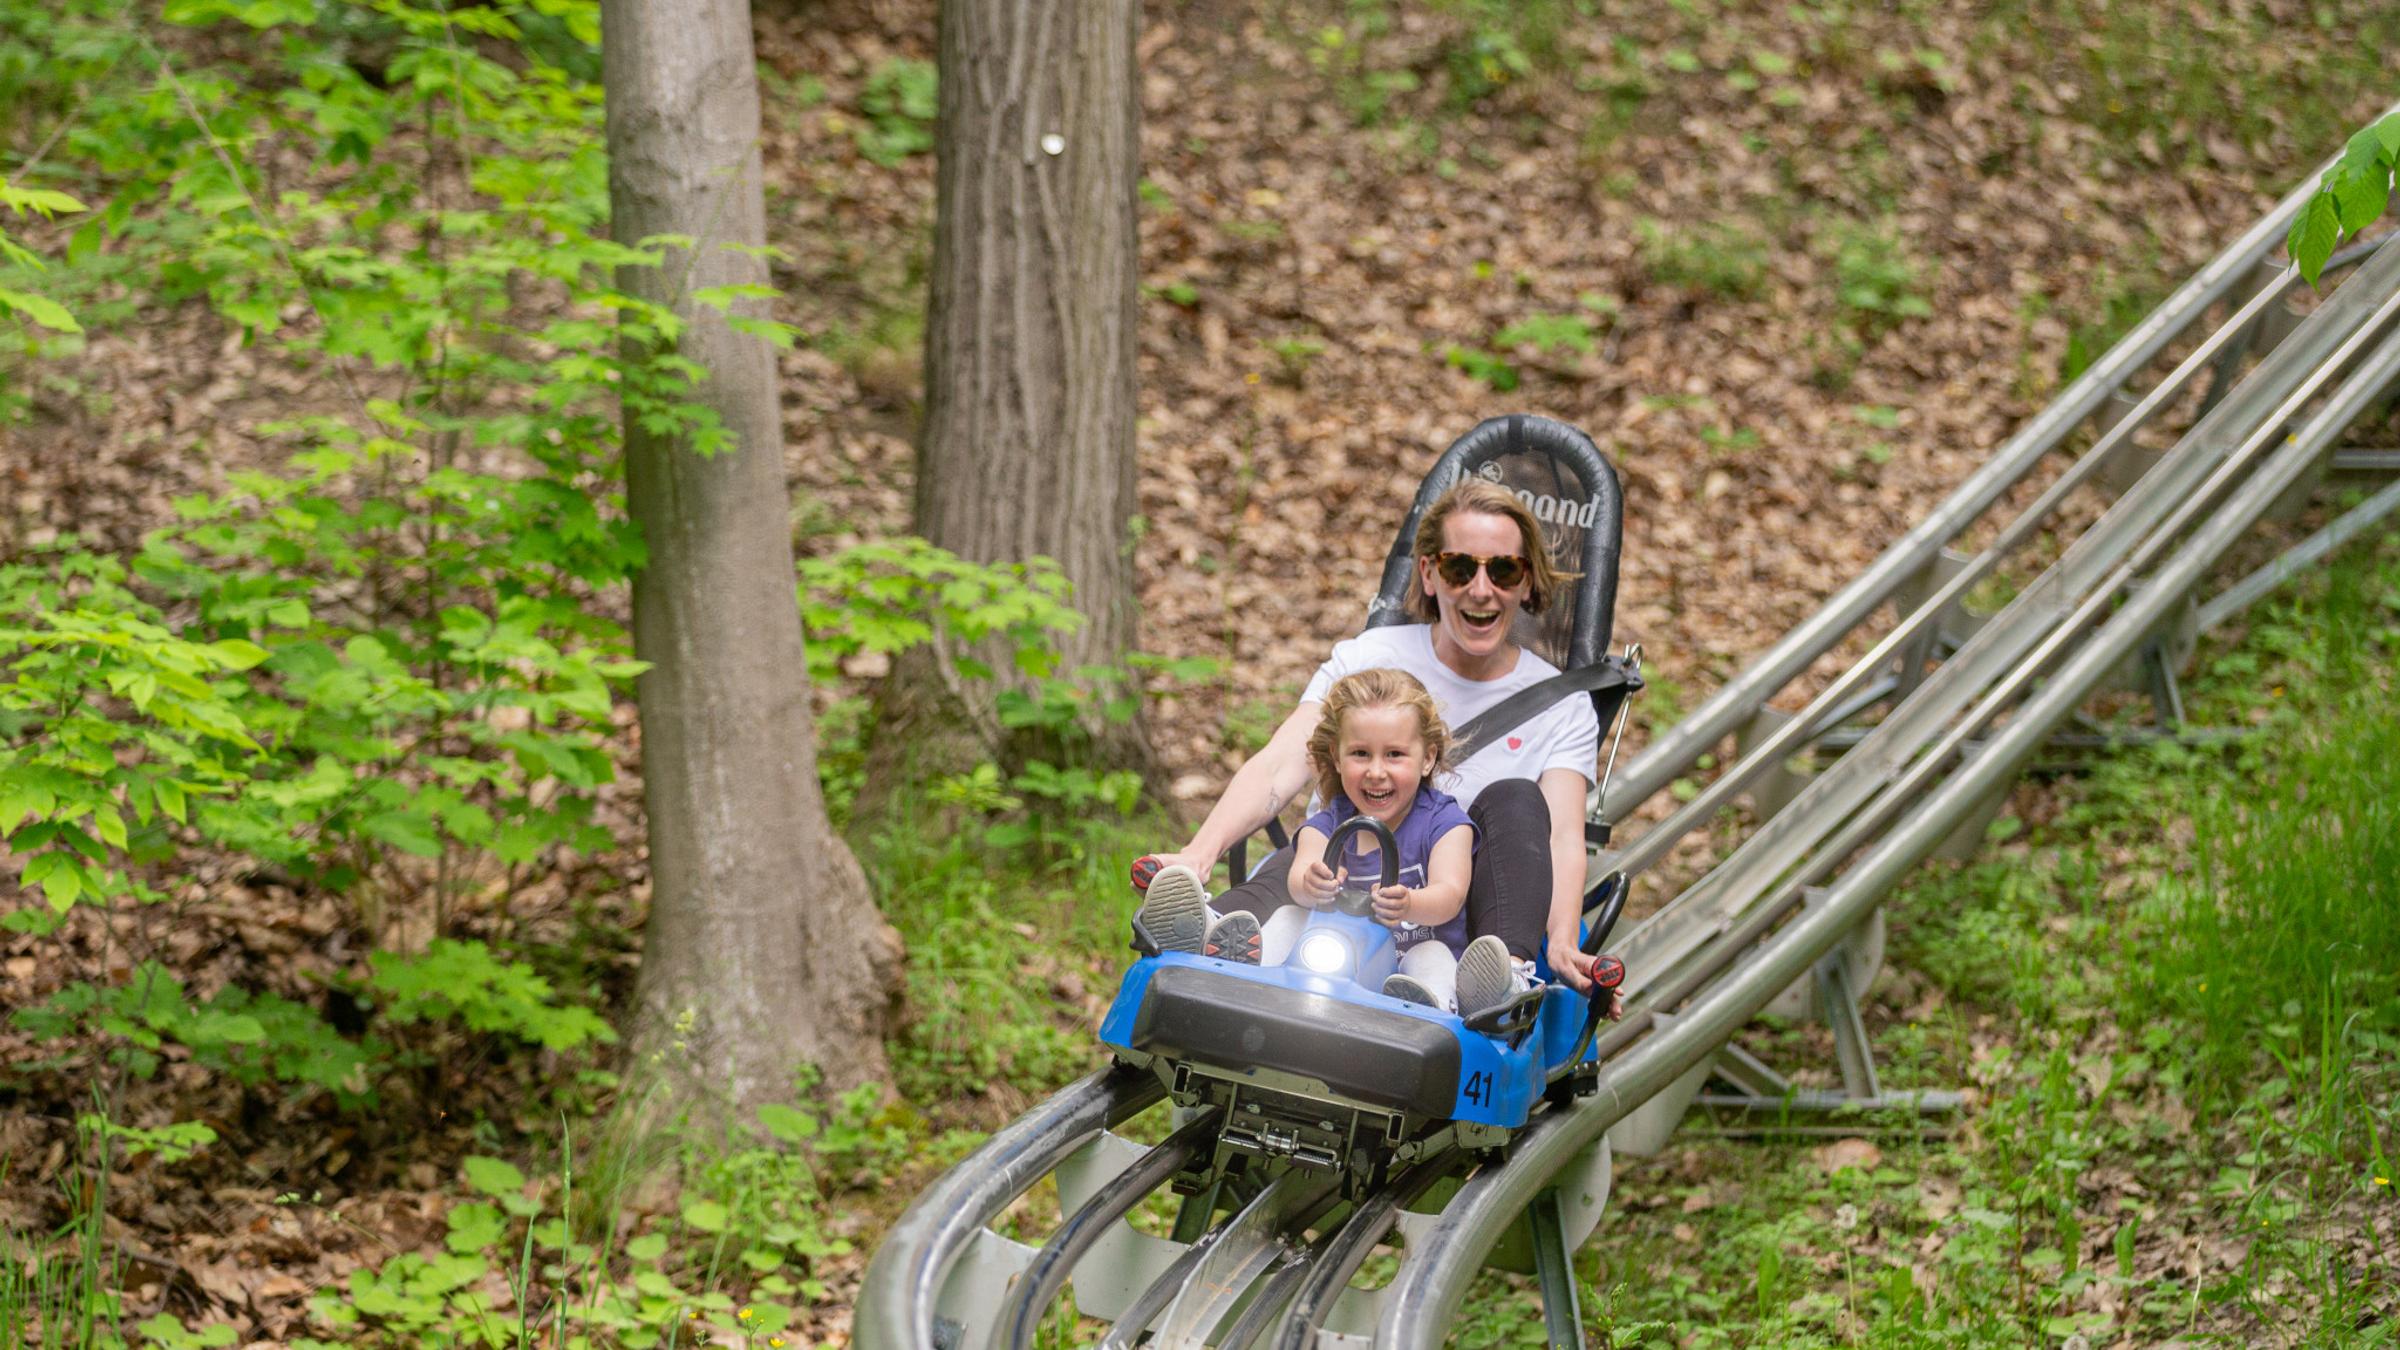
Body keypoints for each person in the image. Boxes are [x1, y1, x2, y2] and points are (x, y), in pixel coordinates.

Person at [1134, 477, 1624, 1021]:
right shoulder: (1369, 658)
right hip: (1338, 883)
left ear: (1526, 581)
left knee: (1514, 798)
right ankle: (1203, 934)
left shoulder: (1561, 704)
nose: (1481, 589)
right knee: (1311, 843)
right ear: (1430, 574)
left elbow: (1559, 837)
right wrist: (1200, 855)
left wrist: (1560, 943)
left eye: (1502, 569)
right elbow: (1278, 768)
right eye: (1461, 568)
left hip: (1457, 904)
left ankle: (1497, 979)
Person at [1142, 668, 1485, 1008]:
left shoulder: (1446, 823)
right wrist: (1312, 883)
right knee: (1291, 916)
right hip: (1337, 967)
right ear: (1336, 758)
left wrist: (1411, 904)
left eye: (1394, 754)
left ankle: (1431, 1007)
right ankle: (1241, 975)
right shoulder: (1330, 822)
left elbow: (1450, 895)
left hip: (1410, 967)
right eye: (1360, 754)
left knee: (1432, 954)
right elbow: (1299, 875)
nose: (1376, 771)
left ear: (1427, 759)